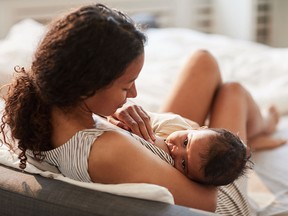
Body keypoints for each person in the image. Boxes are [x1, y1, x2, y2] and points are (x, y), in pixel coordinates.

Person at [0, 3, 285, 215]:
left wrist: (115, 120)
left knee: (203, 62)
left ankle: (256, 131)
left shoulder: (44, 107)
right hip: (217, 191)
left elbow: (132, 149)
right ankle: (258, 131)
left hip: (163, 152)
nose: (134, 94)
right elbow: (207, 202)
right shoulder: (108, 150)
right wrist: (204, 143)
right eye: (126, 86)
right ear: (88, 85)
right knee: (232, 91)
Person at [148, 112, 251, 186]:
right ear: (199, 129)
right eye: (185, 142)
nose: (174, 151)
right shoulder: (172, 123)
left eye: (183, 164)